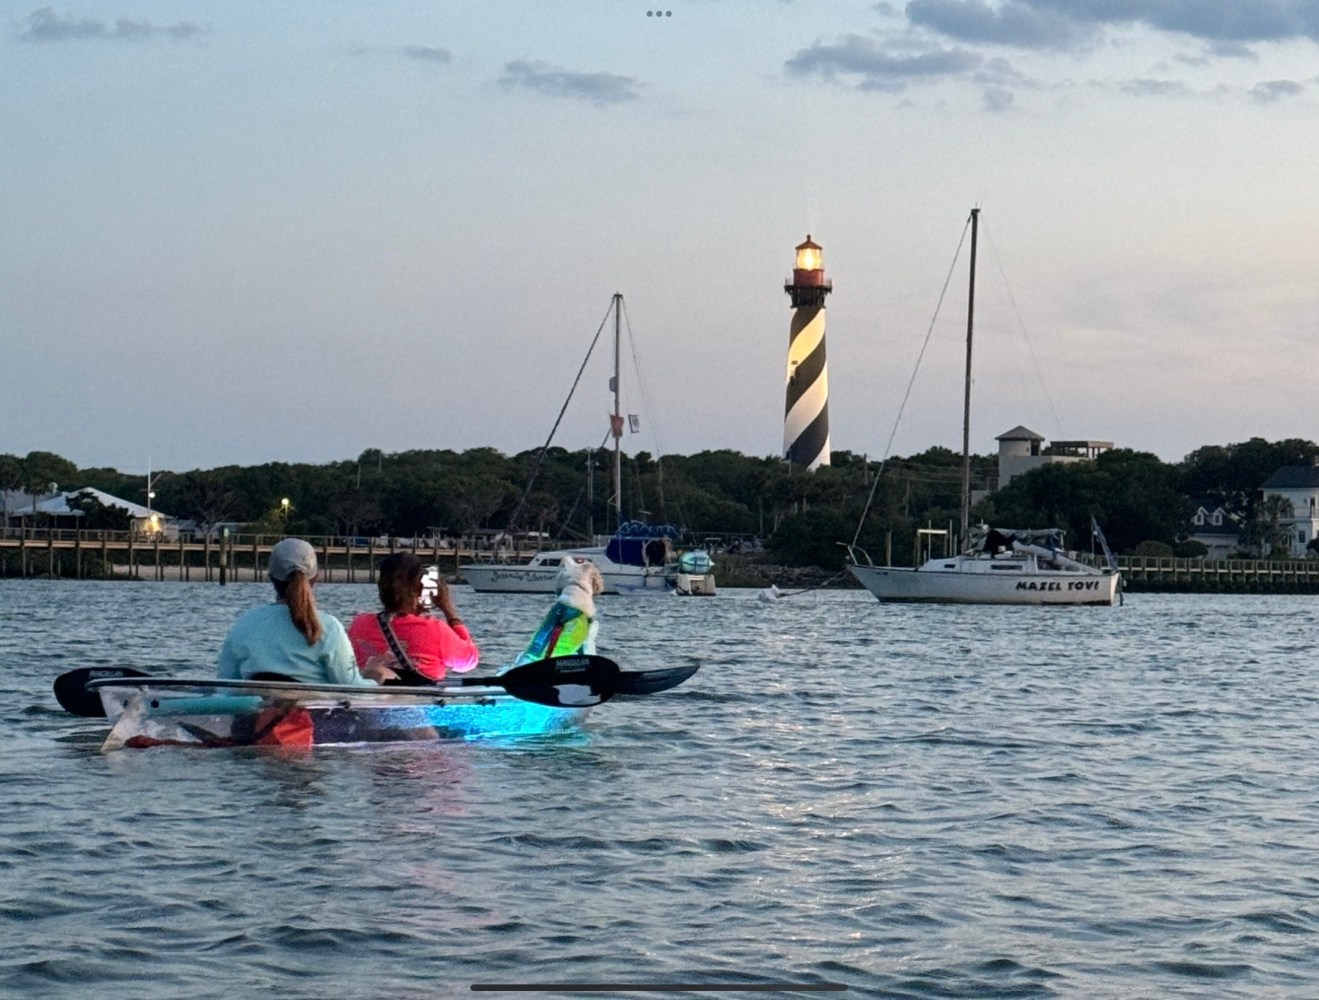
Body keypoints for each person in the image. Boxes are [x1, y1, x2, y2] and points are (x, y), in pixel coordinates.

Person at [217, 538, 395, 686]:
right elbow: (350, 687)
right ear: (315, 578)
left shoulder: (244, 624)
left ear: (271, 578)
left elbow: (226, 687)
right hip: (312, 726)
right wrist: (375, 679)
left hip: (251, 725)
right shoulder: (329, 627)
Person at [347, 553, 479, 684]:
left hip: (370, 700)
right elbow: (469, 661)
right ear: (420, 586)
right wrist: (449, 612)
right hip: (420, 702)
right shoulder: (434, 629)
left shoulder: (359, 624)